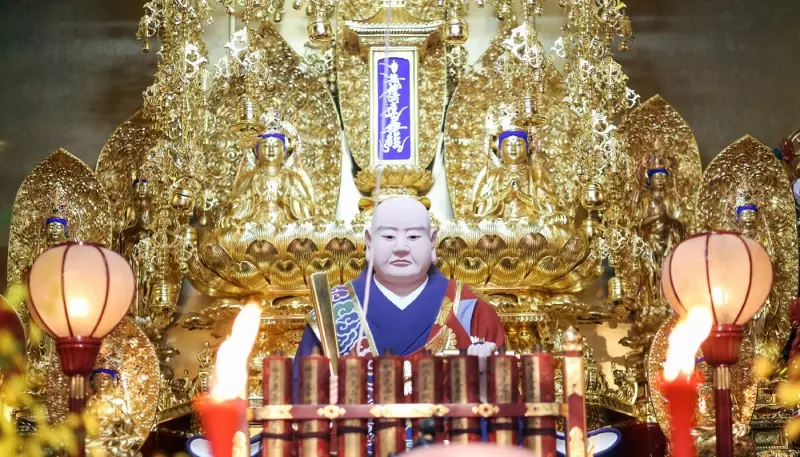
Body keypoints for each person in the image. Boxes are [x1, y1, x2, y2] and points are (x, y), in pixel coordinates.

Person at [295, 196, 505, 372]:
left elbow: (505, 402)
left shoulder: (470, 308)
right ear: (369, 242)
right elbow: (302, 395)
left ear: (432, 242)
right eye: (388, 236)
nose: (401, 247)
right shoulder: (332, 310)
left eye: (413, 236)